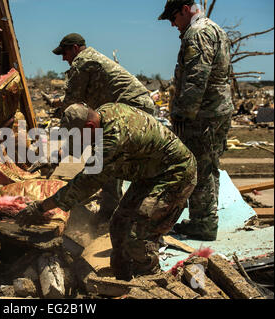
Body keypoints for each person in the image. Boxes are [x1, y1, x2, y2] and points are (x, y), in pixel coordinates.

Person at [18, 103, 197, 280]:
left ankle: (151, 279)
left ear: (89, 127)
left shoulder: (111, 140)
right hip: (151, 174)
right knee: (118, 224)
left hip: (175, 174)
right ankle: (124, 278)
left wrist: (41, 207)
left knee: (138, 231)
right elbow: (77, 142)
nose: (80, 143)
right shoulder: (102, 114)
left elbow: (87, 182)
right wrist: (54, 158)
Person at [37, 33, 156, 223]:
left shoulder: (81, 63)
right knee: (116, 159)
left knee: (104, 157)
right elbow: (80, 96)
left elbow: (73, 104)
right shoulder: (92, 59)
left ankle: (113, 212)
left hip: (130, 108)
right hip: (137, 105)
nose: (63, 58)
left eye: (65, 53)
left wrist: (62, 148)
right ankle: (116, 206)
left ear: (75, 48)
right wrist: (57, 102)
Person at [159, 0, 234, 241]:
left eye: (173, 17)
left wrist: (182, 115)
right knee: (209, 166)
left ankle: (203, 224)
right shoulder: (215, 29)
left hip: (203, 115)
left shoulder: (197, 34)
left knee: (199, 168)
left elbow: (196, 79)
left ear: (185, 9)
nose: (172, 24)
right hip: (217, 109)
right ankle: (206, 219)